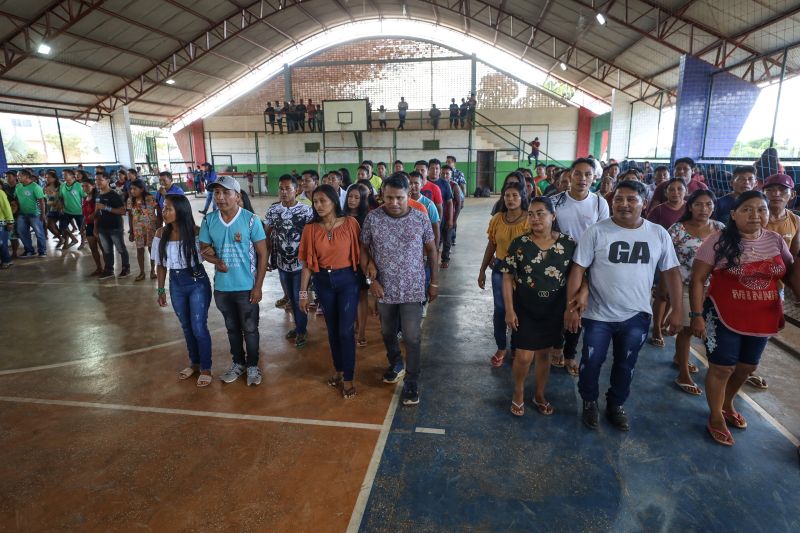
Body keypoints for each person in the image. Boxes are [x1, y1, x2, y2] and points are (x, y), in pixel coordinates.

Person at [566, 180, 683, 431]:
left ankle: (616, 404)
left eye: (631, 199)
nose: (624, 204)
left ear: (645, 203)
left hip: (636, 316)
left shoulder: (657, 234)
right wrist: (571, 307)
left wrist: (678, 310)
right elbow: (578, 269)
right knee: (590, 361)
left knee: (625, 364)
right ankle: (589, 401)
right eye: (618, 199)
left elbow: (672, 272)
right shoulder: (597, 231)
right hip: (598, 314)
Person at [690, 191, 794, 446]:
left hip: (763, 316)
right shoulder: (718, 241)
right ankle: (715, 416)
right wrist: (697, 315)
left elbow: (789, 273)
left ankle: (727, 402)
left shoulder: (776, 241)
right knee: (722, 367)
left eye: (761, 209)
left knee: (747, 367)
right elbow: (697, 280)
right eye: (747, 209)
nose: (755, 215)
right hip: (723, 315)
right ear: (734, 214)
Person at [361, 173, 438, 406]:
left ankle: (412, 381)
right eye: (389, 197)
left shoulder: (420, 218)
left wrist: (433, 282)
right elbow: (363, 249)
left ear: (409, 196)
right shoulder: (373, 219)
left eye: (399, 198)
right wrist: (371, 279)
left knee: (412, 337)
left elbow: (432, 251)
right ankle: (395, 362)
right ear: (382, 196)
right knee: (386, 332)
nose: (394, 203)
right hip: (384, 289)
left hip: (413, 288)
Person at [503, 196, 577, 416]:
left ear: (553, 216)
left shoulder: (568, 244)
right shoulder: (520, 244)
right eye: (531, 214)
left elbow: (578, 275)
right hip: (525, 305)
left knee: (544, 354)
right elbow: (507, 277)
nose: (534, 218)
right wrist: (509, 309)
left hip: (554, 308)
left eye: (540, 213)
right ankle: (518, 392)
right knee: (524, 356)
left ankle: (539, 395)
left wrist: (575, 303)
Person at [199, 176, 268, 387]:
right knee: (232, 329)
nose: (219, 198)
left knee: (250, 329)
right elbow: (203, 250)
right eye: (216, 193)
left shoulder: (250, 220)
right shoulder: (209, 220)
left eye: (225, 193)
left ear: (237, 196)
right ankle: (238, 363)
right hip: (222, 288)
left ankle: (253, 366)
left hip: (247, 287)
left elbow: (263, 254)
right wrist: (214, 259)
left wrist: (258, 286)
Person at [298, 185, 362, 398]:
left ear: (334, 201)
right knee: (333, 331)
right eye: (315, 201)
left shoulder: (351, 224)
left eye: (322, 200)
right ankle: (339, 370)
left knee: (345, 331)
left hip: (347, 281)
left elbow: (362, 253)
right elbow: (307, 263)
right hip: (323, 282)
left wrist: (371, 281)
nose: (318, 205)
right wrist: (303, 293)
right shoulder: (310, 229)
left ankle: (350, 377)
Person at [550, 159, 611, 372]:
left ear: (594, 178)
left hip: (588, 265)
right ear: (570, 175)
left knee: (578, 307)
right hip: (558, 264)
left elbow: (603, 236)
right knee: (559, 308)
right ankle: (556, 345)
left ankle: (570, 353)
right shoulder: (556, 201)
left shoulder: (599, 203)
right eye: (578, 174)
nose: (582, 179)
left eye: (588, 174)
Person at [668, 190, 724, 395]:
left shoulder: (720, 229)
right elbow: (666, 260)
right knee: (687, 329)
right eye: (699, 204)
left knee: (705, 327)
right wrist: (666, 289)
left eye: (709, 204)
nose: (704, 209)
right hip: (684, 285)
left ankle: (678, 357)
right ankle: (683, 372)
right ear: (690, 206)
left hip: (712, 288)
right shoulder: (677, 229)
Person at [154, 195, 213, 387]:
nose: (164, 212)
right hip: (176, 283)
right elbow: (161, 265)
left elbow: (210, 254)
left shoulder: (197, 232)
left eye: (169, 209)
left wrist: (213, 252)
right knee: (186, 326)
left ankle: (206, 367)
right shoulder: (160, 233)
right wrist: (160, 290)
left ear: (181, 210)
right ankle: (194, 363)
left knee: (198, 326)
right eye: (164, 208)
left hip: (197, 282)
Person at [478, 181, 529, 368]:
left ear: (523, 197)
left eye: (515, 195)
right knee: (500, 310)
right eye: (507, 195)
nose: (510, 199)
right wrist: (482, 269)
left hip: (524, 271)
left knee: (520, 309)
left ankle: (517, 345)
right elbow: (492, 244)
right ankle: (501, 346)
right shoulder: (498, 218)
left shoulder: (530, 219)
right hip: (500, 268)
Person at [265, 174, 314, 348]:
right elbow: (267, 234)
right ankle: (299, 326)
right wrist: (268, 256)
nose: (284, 192)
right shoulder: (273, 210)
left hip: (301, 265)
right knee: (291, 300)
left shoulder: (306, 211)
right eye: (281, 188)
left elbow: (312, 238)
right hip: (281, 263)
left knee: (299, 296)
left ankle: (301, 331)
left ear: (297, 190)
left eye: (288, 188)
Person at [647, 178, 688, 347]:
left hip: (684, 260)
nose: (675, 192)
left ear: (685, 192)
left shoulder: (689, 209)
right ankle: (656, 327)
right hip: (663, 258)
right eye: (672, 189)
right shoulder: (659, 211)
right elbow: (648, 233)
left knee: (675, 294)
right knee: (662, 294)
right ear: (666, 192)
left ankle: (664, 322)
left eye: (680, 189)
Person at [346, 183, 372, 347]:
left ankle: (361, 331)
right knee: (350, 298)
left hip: (360, 263)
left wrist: (369, 264)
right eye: (350, 196)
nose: (352, 200)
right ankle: (353, 327)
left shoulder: (368, 218)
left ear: (363, 200)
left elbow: (370, 245)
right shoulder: (340, 216)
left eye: (356, 197)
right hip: (344, 264)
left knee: (362, 296)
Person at [94, 172, 130, 279]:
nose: (98, 182)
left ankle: (126, 268)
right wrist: (95, 227)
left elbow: (123, 211)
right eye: (96, 180)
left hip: (115, 227)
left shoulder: (114, 195)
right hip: (102, 227)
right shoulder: (98, 194)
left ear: (108, 181)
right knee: (107, 250)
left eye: (100, 180)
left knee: (120, 249)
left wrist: (106, 208)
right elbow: (97, 212)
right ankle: (109, 270)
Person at [127, 179, 160, 281]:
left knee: (152, 249)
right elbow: (130, 216)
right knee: (140, 250)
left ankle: (152, 271)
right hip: (138, 230)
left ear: (141, 189)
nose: (132, 191)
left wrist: (159, 225)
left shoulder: (150, 198)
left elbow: (159, 210)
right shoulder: (130, 201)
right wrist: (131, 231)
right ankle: (142, 272)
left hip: (151, 229)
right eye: (131, 189)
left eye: (134, 189)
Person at [14, 169, 47, 258]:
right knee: (22, 232)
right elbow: (16, 199)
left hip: (35, 214)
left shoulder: (35, 187)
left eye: (20, 176)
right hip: (22, 214)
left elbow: (42, 201)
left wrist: (43, 214)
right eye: (17, 176)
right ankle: (29, 251)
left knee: (39, 233)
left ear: (27, 177)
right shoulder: (18, 186)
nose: (18, 177)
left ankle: (42, 251)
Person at [81, 177, 103, 276]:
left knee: (103, 248)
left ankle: (108, 268)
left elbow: (98, 213)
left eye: (87, 186)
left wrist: (95, 228)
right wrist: (82, 226)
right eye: (83, 186)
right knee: (93, 248)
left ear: (93, 186)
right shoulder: (85, 198)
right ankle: (99, 268)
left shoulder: (97, 197)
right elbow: (85, 214)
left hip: (98, 225)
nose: (84, 188)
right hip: (89, 225)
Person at [437, 164, 456, 268]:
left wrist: (451, 219)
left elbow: (451, 203)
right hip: (436, 219)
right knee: (437, 239)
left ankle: (445, 259)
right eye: (443, 173)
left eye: (447, 173)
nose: (444, 175)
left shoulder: (448, 185)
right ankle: (435, 257)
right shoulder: (429, 183)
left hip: (446, 217)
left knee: (447, 240)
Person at [43, 173, 64, 248]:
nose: (47, 178)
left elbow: (62, 196)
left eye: (49, 177)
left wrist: (57, 203)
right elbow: (48, 198)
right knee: (49, 225)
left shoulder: (60, 186)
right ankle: (61, 238)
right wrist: (51, 203)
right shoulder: (47, 187)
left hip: (61, 208)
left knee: (64, 227)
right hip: (52, 209)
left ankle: (71, 239)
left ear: (54, 178)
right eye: (46, 177)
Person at [0, 185, 13, 269]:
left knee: (1, 243)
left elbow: (6, 207)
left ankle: (6, 260)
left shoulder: (0, 193)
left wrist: (10, 221)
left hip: (1, 222)